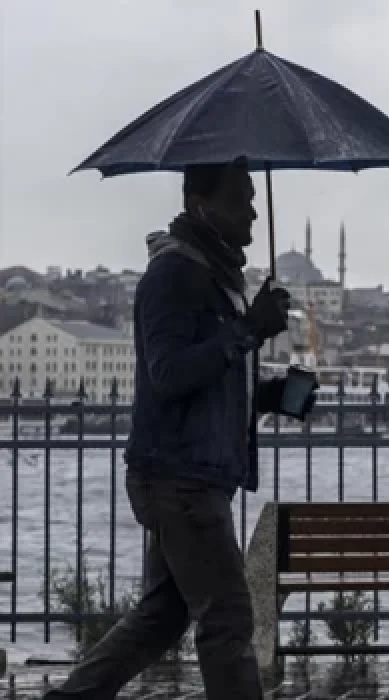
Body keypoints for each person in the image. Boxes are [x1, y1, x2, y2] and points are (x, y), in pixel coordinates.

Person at [45, 159, 312, 699]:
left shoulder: (215, 276)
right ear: (202, 205)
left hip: (194, 476)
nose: (254, 212)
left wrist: (269, 394)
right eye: (240, 199)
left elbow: (209, 382)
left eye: (253, 197)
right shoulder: (175, 274)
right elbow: (167, 375)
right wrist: (248, 331)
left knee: (164, 615)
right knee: (229, 618)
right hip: (178, 478)